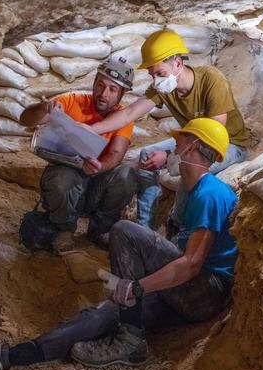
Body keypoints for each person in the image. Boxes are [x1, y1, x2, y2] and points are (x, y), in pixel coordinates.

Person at [0, 118, 238, 370]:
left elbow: (191, 265)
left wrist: (136, 287)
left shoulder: (211, 193)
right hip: (187, 292)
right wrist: (131, 291)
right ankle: (6, 356)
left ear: (195, 147)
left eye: (181, 141)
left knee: (125, 230)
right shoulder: (193, 192)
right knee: (104, 312)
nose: (175, 146)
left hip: (205, 290)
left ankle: (128, 335)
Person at [91, 29, 249, 231]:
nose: (156, 80)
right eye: (152, 75)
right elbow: (130, 113)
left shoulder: (211, 79)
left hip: (228, 145)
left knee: (188, 166)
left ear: (177, 63)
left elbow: (211, 137)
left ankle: (177, 226)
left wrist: (168, 156)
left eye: (160, 73)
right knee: (146, 155)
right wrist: (92, 129)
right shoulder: (164, 88)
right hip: (191, 142)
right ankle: (145, 227)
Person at [19, 57, 138, 251]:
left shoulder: (123, 117)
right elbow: (25, 119)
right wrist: (41, 109)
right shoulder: (72, 102)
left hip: (95, 185)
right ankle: (64, 230)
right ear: (93, 83)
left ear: (122, 94)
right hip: (66, 181)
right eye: (100, 85)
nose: (103, 94)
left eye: (112, 89)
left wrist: (101, 166)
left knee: (125, 175)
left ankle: (99, 230)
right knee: (62, 178)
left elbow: (117, 153)